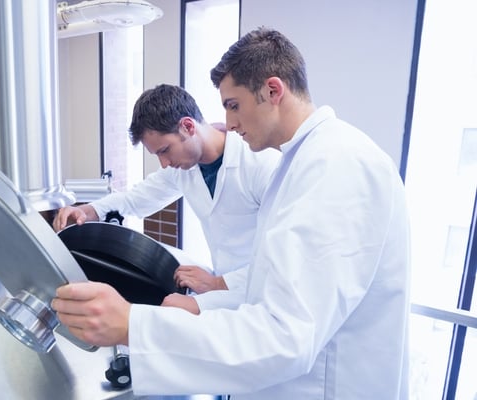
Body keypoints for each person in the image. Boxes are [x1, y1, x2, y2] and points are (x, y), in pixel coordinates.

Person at [52, 27, 411, 399]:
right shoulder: (302, 163)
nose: (229, 122)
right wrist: (198, 307)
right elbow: (269, 284)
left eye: (233, 105)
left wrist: (135, 325)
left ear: (273, 91)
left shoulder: (335, 167)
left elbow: (284, 335)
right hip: (264, 362)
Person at [53, 84, 280, 310]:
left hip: (265, 294)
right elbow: (137, 198)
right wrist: (87, 211)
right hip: (226, 290)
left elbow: (280, 256)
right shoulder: (185, 169)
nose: (164, 163)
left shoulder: (262, 165)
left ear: (188, 126)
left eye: (164, 150)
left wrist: (219, 283)